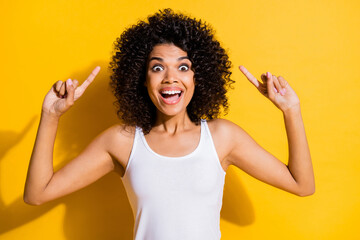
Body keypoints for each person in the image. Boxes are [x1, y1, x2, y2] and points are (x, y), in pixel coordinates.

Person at [24, 9, 315, 240]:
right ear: (142, 78)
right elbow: (37, 194)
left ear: (197, 78)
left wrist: (291, 110)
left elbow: (302, 185)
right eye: (158, 67)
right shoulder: (122, 142)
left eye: (183, 67)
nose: (170, 78)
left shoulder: (223, 137)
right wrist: (51, 116)